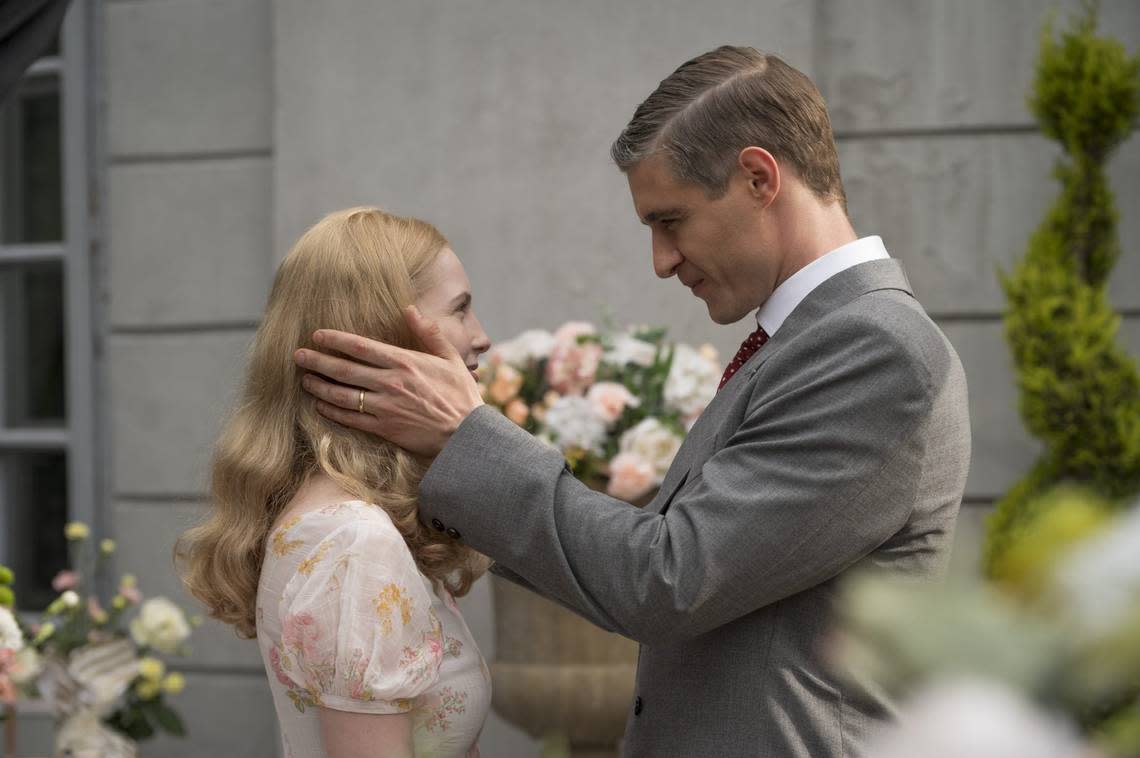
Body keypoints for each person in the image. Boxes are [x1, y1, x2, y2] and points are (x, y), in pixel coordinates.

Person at [294, 46, 972, 757]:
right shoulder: (809, 339)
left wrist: (464, 436)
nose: (661, 260)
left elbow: (667, 579)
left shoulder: (874, 348)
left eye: (670, 220)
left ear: (758, 176)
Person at [177, 208, 493, 758]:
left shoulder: (355, 523)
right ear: (386, 338)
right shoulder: (352, 540)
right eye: (460, 310)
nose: (481, 338)